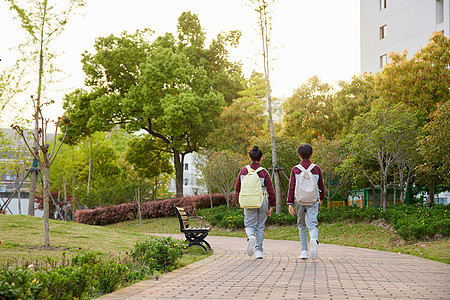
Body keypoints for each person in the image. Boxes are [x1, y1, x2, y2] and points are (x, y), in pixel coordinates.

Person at [235, 146, 276, 259]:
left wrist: (241, 199)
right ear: (261, 158)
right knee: (260, 226)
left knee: (249, 224)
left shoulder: (243, 171)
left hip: (248, 201)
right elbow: (271, 190)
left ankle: (251, 236)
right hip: (261, 201)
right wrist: (272, 205)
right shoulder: (264, 172)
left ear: (250, 158)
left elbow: (237, 188)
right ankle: (259, 251)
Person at [287, 143, 325, 260]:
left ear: (299, 155)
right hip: (313, 200)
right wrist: (321, 198)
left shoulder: (295, 170)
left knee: (302, 225)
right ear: (311, 154)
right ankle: (313, 239)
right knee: (312, 224)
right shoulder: (316, 169)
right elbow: (321, 186)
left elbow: (291, 187)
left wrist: (290, 203)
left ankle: (304, 251)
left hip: (299, 200)